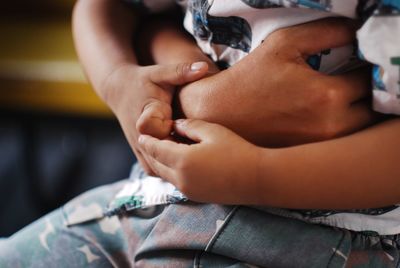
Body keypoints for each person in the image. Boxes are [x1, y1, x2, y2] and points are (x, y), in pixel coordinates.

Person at [1, 0, 400, 267]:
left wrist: (258, 174)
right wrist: (118, 81)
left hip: (328, 234)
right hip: (152, 200)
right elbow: (105, 7)